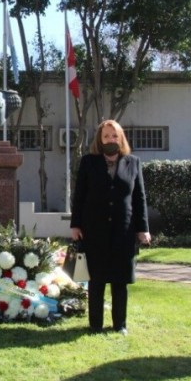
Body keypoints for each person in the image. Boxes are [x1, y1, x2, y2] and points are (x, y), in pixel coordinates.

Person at [70, 120, 151, 335]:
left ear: (121, 138)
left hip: (123, 231)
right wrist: (75, 224)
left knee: (119, 280)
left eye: (114, 136)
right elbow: (79, 196)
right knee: (96, 280)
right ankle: (95, 325)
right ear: (100, 139)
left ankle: (119, 325)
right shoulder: (89, 162)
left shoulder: (133, 162)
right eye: (106, 136)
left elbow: (139, 198)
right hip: (94, 229)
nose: (110, 140)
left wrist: (143, 229)